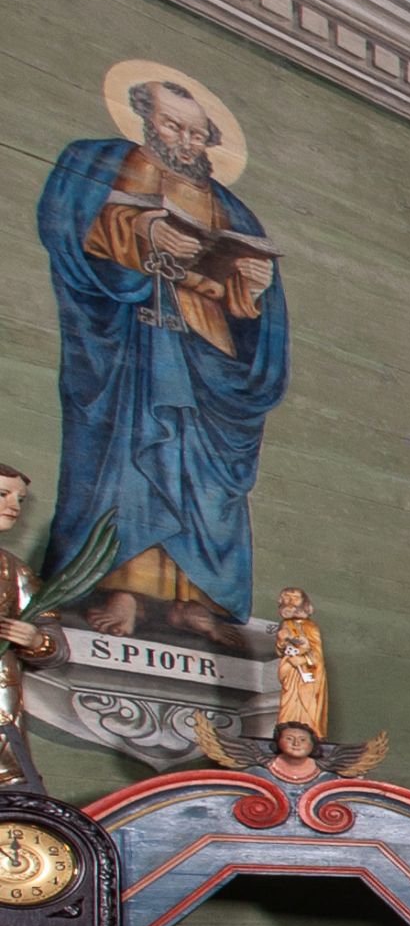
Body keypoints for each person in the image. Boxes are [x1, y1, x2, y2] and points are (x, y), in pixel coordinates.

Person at [43, 74, 288, 642]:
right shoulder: (107, 163)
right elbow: (72, 223)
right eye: (173, 126)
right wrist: (142, 228)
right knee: (133, 456)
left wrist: (251, 288)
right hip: (133, 336)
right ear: (145, 120)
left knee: (200, 474)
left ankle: (193, 598)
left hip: (207, 351)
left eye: (198, 134)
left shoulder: (230, 207)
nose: (186, 140)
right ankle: (121, 587)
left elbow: (250, 299)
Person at [0, 465, 62, 790]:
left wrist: (35, 639)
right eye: (3, 495)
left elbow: (55, 643)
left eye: (20, 500)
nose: (14, 506)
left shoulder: (14, 571)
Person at [273, 587, 327, 738]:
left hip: (307, 673)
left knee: (307, 704)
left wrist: (304, 659)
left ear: (304, 603)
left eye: (295, 598)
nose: (290, 601)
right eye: (286, 597)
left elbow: (317, 653)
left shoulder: (310, 626)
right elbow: (280, 651)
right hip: (291, 670)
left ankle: (307, 735)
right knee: (288, 701)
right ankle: (286, 733)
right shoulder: (285, 624)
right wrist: (282, 642)